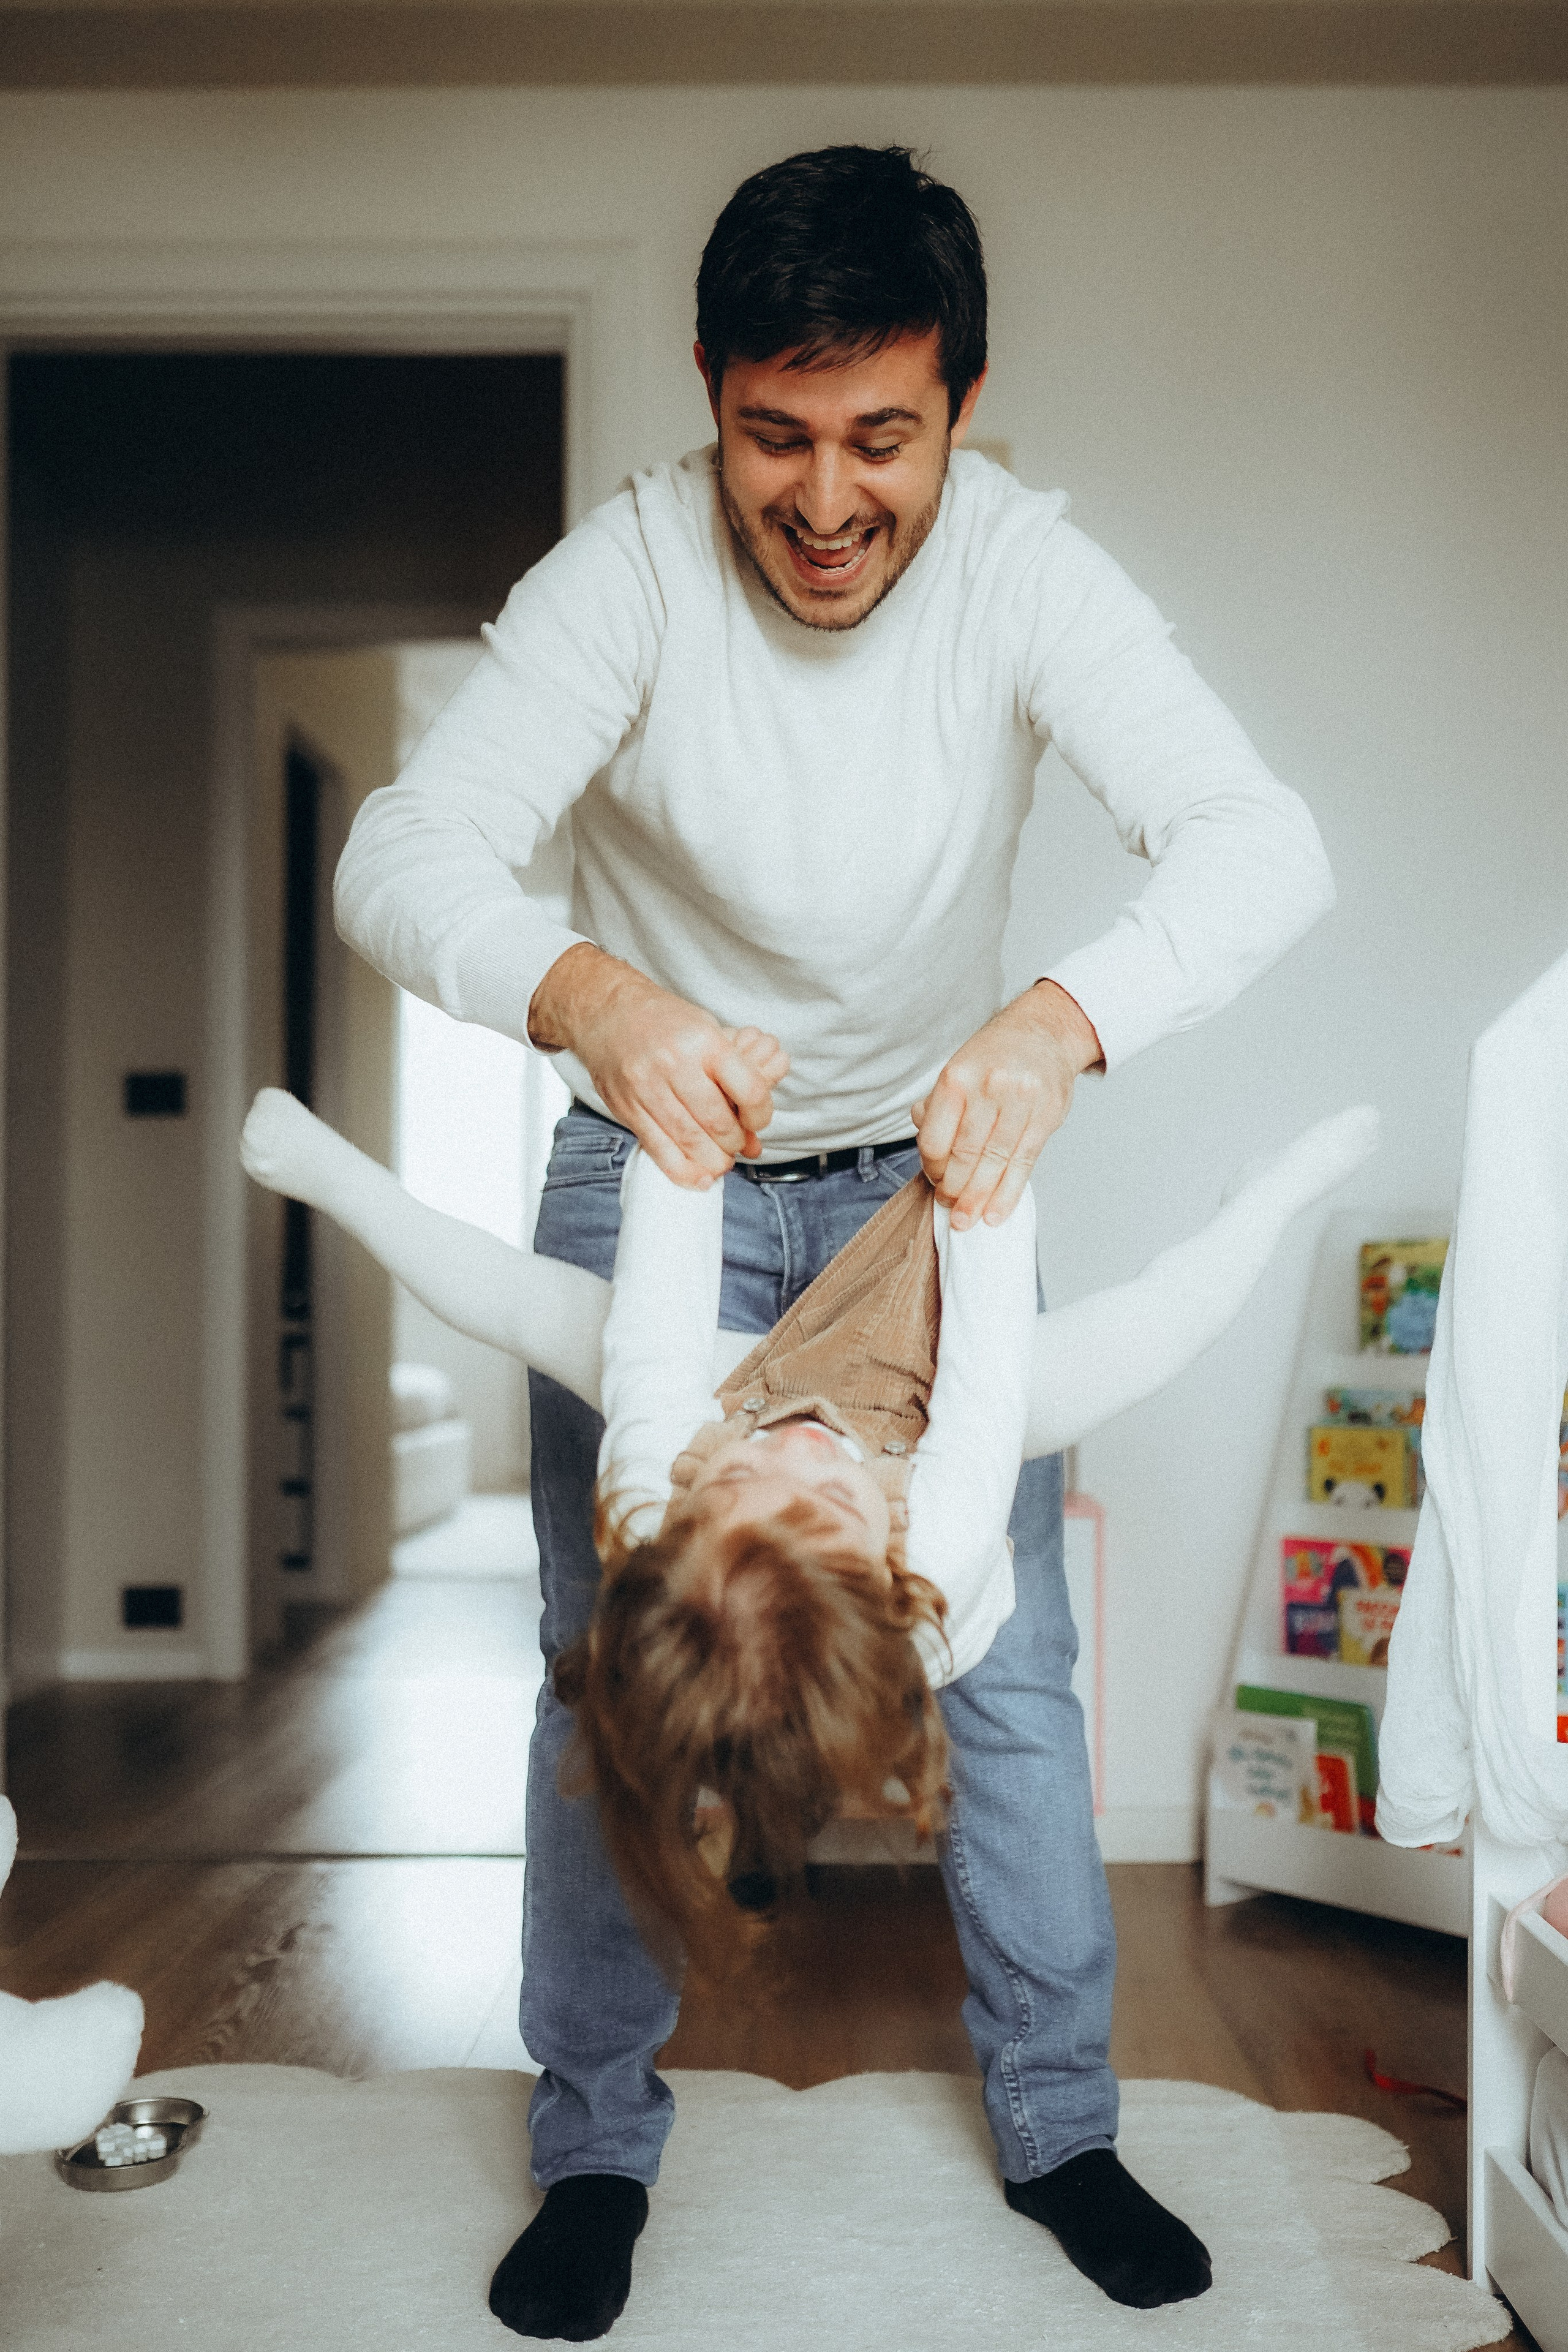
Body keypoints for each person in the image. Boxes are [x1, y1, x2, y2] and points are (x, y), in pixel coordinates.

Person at [333, 144, 1335, 2340]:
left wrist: (1067, 1024)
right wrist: (592, 999)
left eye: (881, 437)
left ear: (962, 409)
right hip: (655, 1176)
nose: (822, 497)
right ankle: (594, 2148)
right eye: (773, 437)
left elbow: (1268, 846)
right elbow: (403, 850)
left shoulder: (1028, 571)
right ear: (710, 397)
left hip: (927, 1196)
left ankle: (1062, 2126)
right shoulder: (625, 574)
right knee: (599, 1676)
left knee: (1023, 1670)